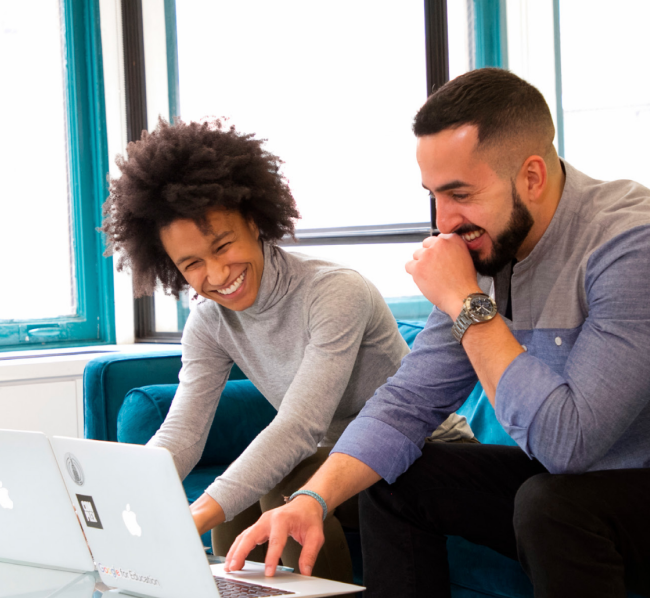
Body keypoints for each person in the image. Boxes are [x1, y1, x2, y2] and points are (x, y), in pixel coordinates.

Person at [223, 68, 650, 598]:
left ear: (532, 175)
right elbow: (405, 404)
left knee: (552, 506)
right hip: (593, 485)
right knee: (397, 478)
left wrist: (463, 300)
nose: (443, 222)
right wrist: (313, 499)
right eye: (433, 196)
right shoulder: (489, 248)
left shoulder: (641, 245)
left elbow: (568, 444)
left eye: (460, 194)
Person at [100, 118, 472, 584]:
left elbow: (300, 427)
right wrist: (119, 498)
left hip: (427, 453)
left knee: (278, 485)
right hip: (335, 462)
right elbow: (182, 435)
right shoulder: (209, 322)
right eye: (192, 263)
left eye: (223, 245)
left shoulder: (334, 292)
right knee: (238, 515)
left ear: (254, 222)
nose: (216, 274)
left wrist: (192, 517)